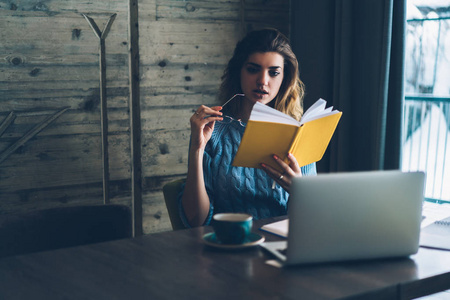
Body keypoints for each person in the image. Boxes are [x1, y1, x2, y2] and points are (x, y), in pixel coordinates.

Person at [178, 28, 317, 228]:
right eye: (253, 69)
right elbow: (195, 219)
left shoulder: (297, 135)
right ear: (238, 72)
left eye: (274, 72)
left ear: (285, 78)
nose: (263, 81)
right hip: (228, 245)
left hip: (280, 246)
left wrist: (299, 192)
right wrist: (197, 149)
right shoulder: (212, 130)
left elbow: (309, 223)